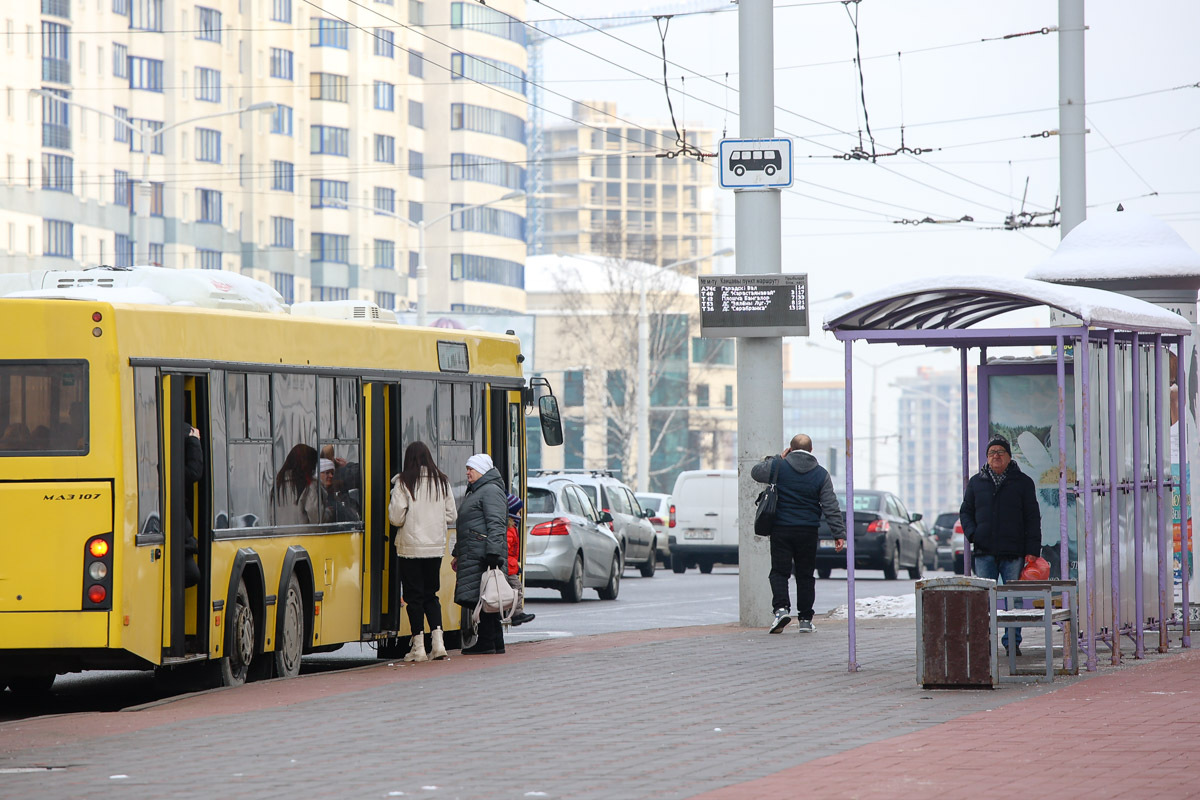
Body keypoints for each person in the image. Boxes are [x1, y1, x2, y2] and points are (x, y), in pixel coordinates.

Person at [751, 433, 845, 634]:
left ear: (790, 449)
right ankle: (805, 620)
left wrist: (778, 458)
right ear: (811, 451)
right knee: (805, 575)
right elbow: (830, 506)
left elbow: (755, 472)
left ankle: (781, 610)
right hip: (808, 531)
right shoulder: (821, 474)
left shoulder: (779, 466)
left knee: (779, 572)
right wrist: (839, 533)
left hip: (781, 529)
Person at [960, 434, 1042, 655]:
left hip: (1013, 552)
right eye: (991, 453)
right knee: (984, 600)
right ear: (987, 457)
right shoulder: (977, 482)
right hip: (984, 551)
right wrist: (973, 534)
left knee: (1012, 599)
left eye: (1000, 452)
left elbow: (1033, 517)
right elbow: (965, 511)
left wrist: (1032, 550)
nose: (995, 456)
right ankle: (984, 643)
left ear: (1009, 456)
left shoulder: (1023, 482)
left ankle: (1012, 643)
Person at [388, 441, 457, 663]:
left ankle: (418, 648)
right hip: (435, 548)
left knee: (413, 597)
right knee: (431, 594)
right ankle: (438, 644)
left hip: (410, 548)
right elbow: (451, 515)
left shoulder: (403, 482)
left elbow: (396, 518)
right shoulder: (442, 481)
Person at [452, 453, 509, 655]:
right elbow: (469, 524)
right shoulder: (479, 490)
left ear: (482, 470)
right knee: (486, 597)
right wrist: (457, 552)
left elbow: (496, 524)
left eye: (471, 469)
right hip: (476, 551)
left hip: (484, 553)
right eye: (467, 468)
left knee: (485, 596)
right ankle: (495, 642)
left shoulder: (490, 491)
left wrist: (493, 554)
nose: (468, 472)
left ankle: (487, 642)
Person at [504, 493, 535, 627]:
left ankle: (514, 613)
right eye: (518, 511)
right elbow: (507, 550)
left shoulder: (512, 528)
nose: (520, 514)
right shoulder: (510, 530)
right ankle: (516, 614)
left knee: (513, 590)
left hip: (510, 566)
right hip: (508, 567)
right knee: (516, 589)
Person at [182, 422, 204, 589]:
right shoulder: (181, 430)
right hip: (180, 536)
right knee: (191, 574)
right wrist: (194, 440)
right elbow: (194, 472)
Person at [274, 444, 318, 525]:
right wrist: (328, 513)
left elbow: (271, 518)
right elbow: (316, 519)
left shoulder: (278, 486)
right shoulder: (309, 486)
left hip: (280, 536)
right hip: (303, 536)